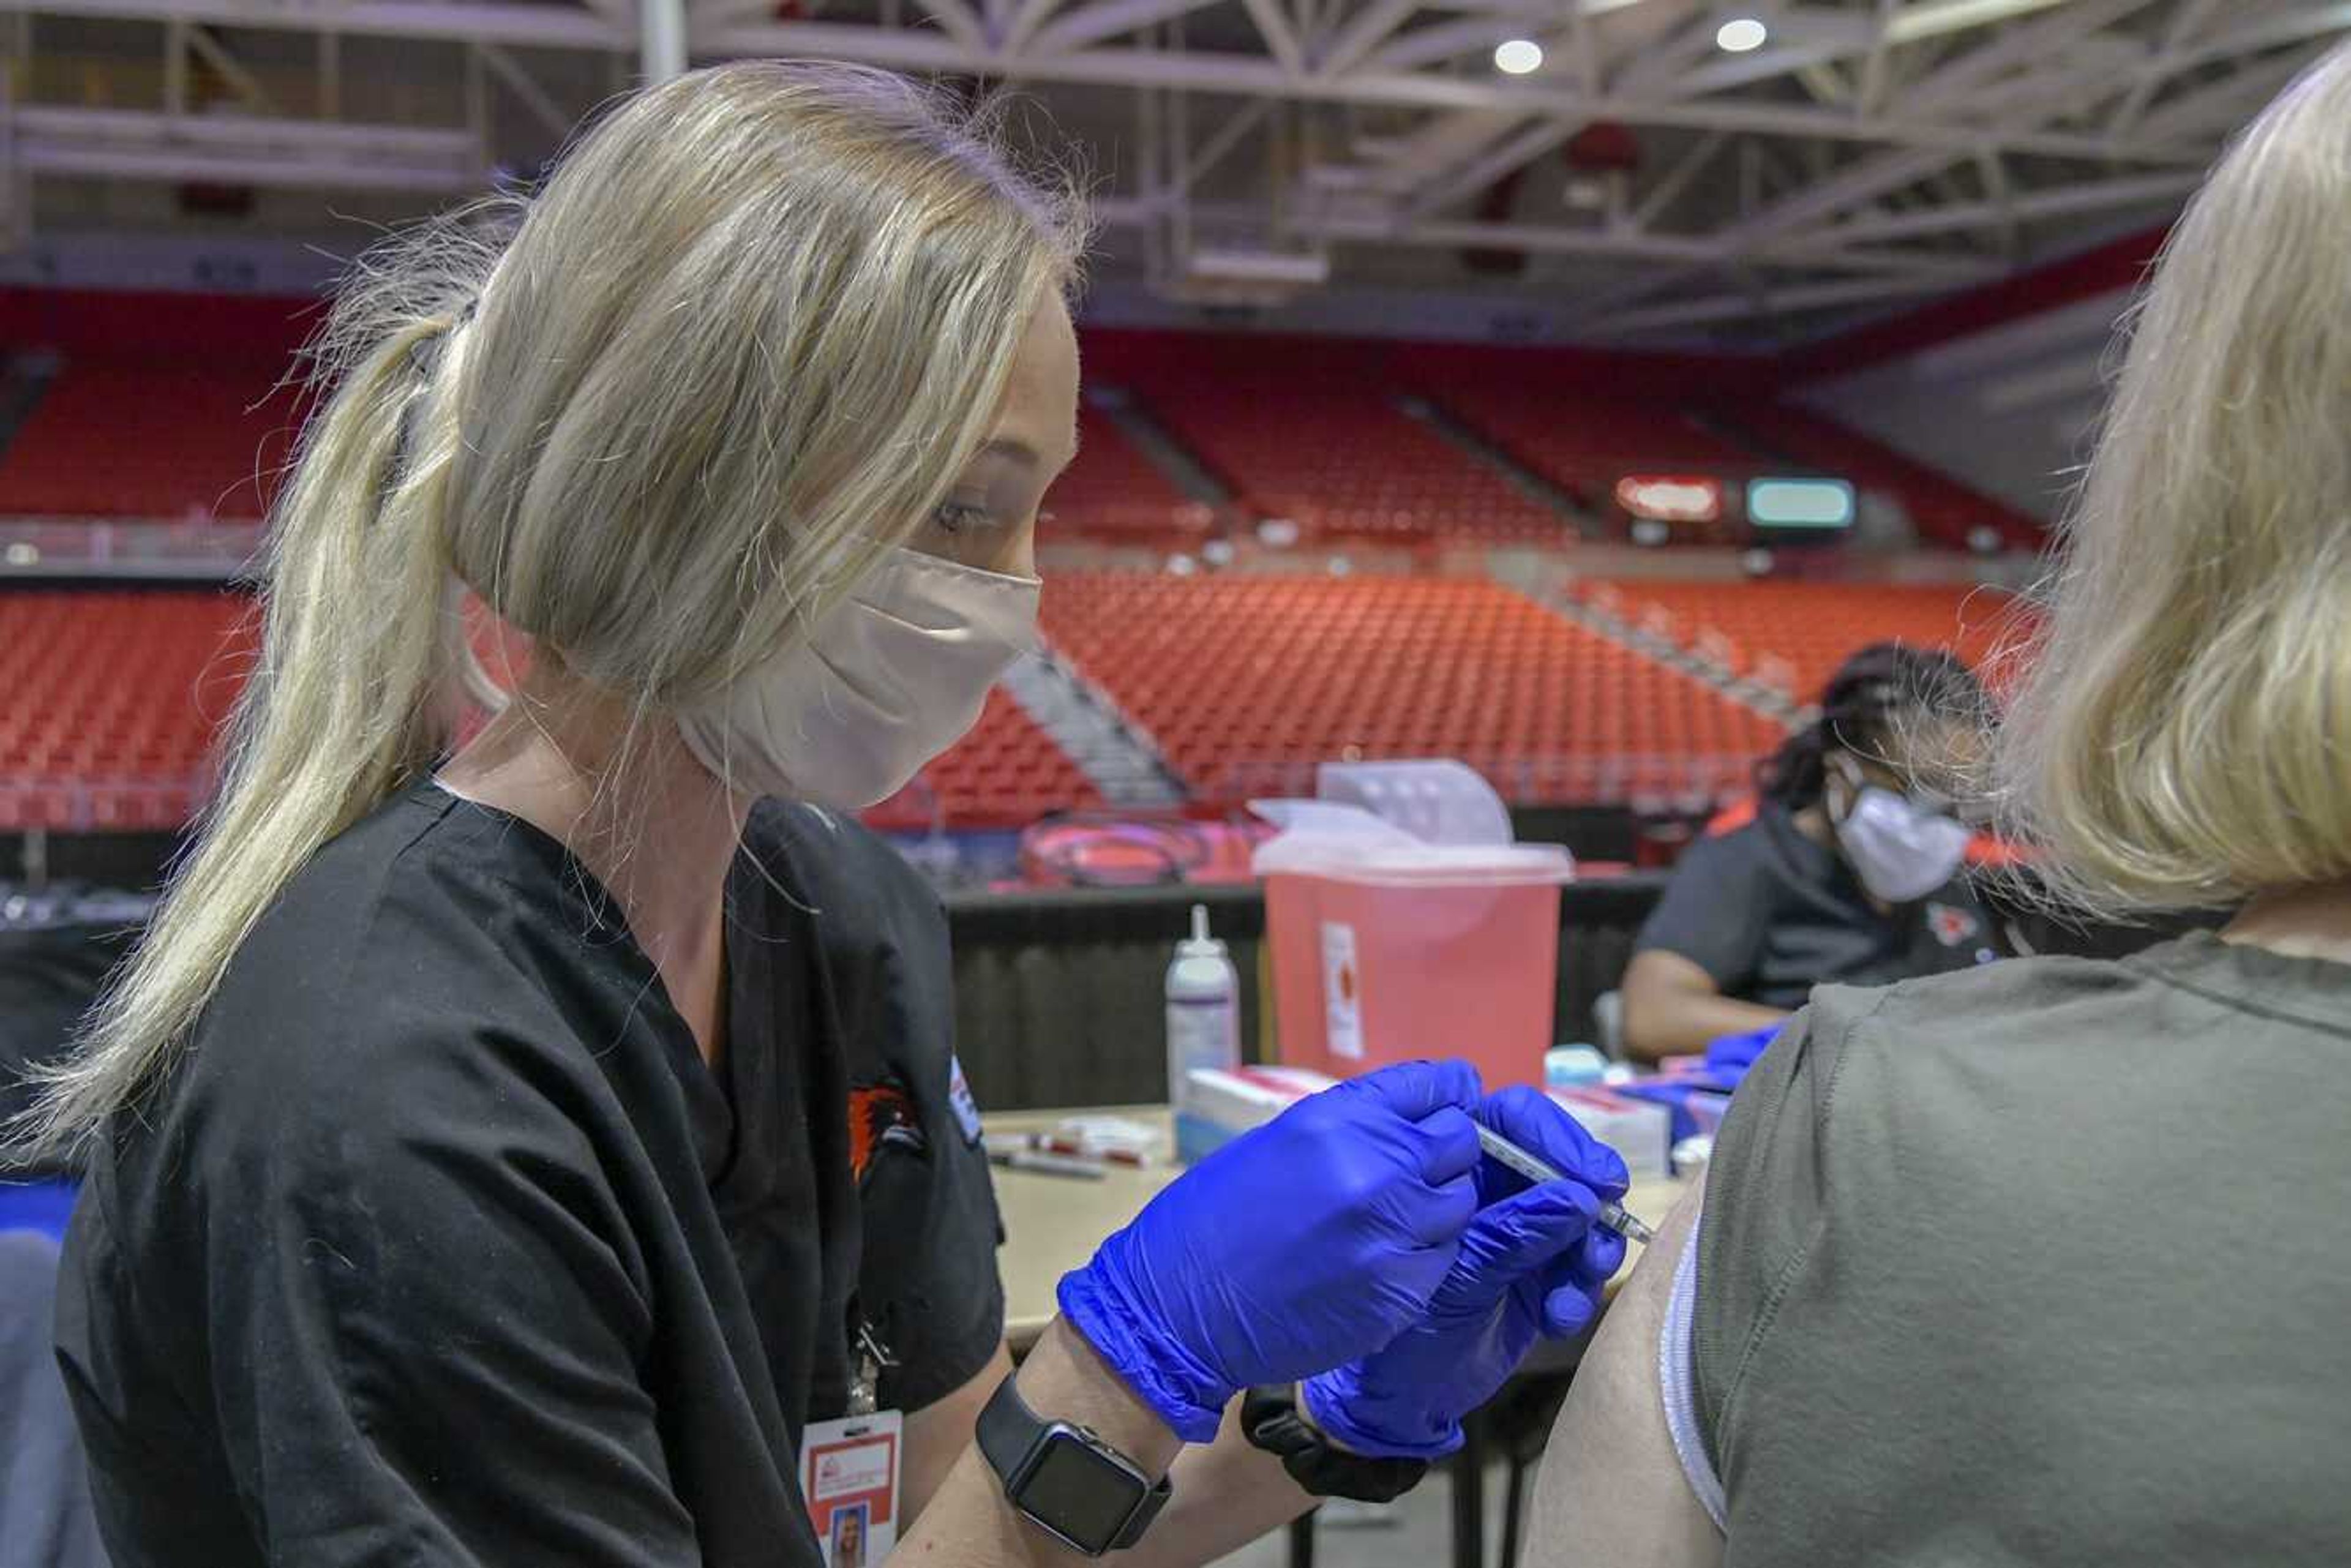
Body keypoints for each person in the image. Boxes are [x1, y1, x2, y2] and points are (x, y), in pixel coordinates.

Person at [13, 63, 1630, 1568]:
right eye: (959, 508)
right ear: (681, 486)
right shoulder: (393, 1097)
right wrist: (1132, 1356)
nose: (1019, 596)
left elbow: (952, 1515)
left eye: (1034, 509)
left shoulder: (836, 919)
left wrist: (1333, 1414)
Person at [1526, 41, 2351, 1564]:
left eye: (1951, 794)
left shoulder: (1949, 939)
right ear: (1839, 777)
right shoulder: (1761, 881)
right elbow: (1650, 1008)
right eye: (1903, 791)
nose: (1931, 818)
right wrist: (1801, 1053)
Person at [1618, 642, 2006, 1061]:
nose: (1943, 822)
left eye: (1961, 800)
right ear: (1842, 774)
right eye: (1924, 793)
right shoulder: (1751, 857)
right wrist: (1853, 1033)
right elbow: (1653, 1016)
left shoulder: (1938, 863)